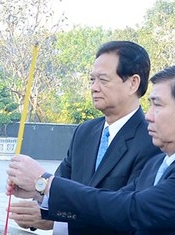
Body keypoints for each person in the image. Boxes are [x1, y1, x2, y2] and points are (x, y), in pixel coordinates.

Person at [7, 63, 175, 235]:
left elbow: (131, 212)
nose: (149, 117)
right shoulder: (159, 162)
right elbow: (113, 202)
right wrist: (41, 195)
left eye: (158, 106)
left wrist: (45, 182)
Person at [9, 40, 161, 235]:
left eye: (103, 80)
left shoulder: (152, 139)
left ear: (133, 83)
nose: (94, 88)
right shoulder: (85, 131)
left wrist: (56, 218)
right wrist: (35, 194)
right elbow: (61, 184)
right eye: (92, 80)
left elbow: (124, 211)